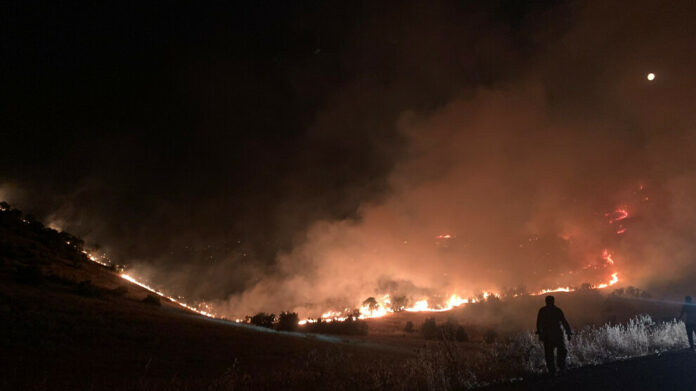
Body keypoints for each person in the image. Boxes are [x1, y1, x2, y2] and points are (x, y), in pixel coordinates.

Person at [536, 295, 572, 375]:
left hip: (554, 335)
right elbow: (539, 323)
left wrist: (568, 332)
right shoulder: (551, 311)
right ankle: (554, 371)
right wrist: (539, 332)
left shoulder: (550, 311)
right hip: (551, 335)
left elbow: (564, 322)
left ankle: (559, 369)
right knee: (550, 355)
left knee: (559, 353)